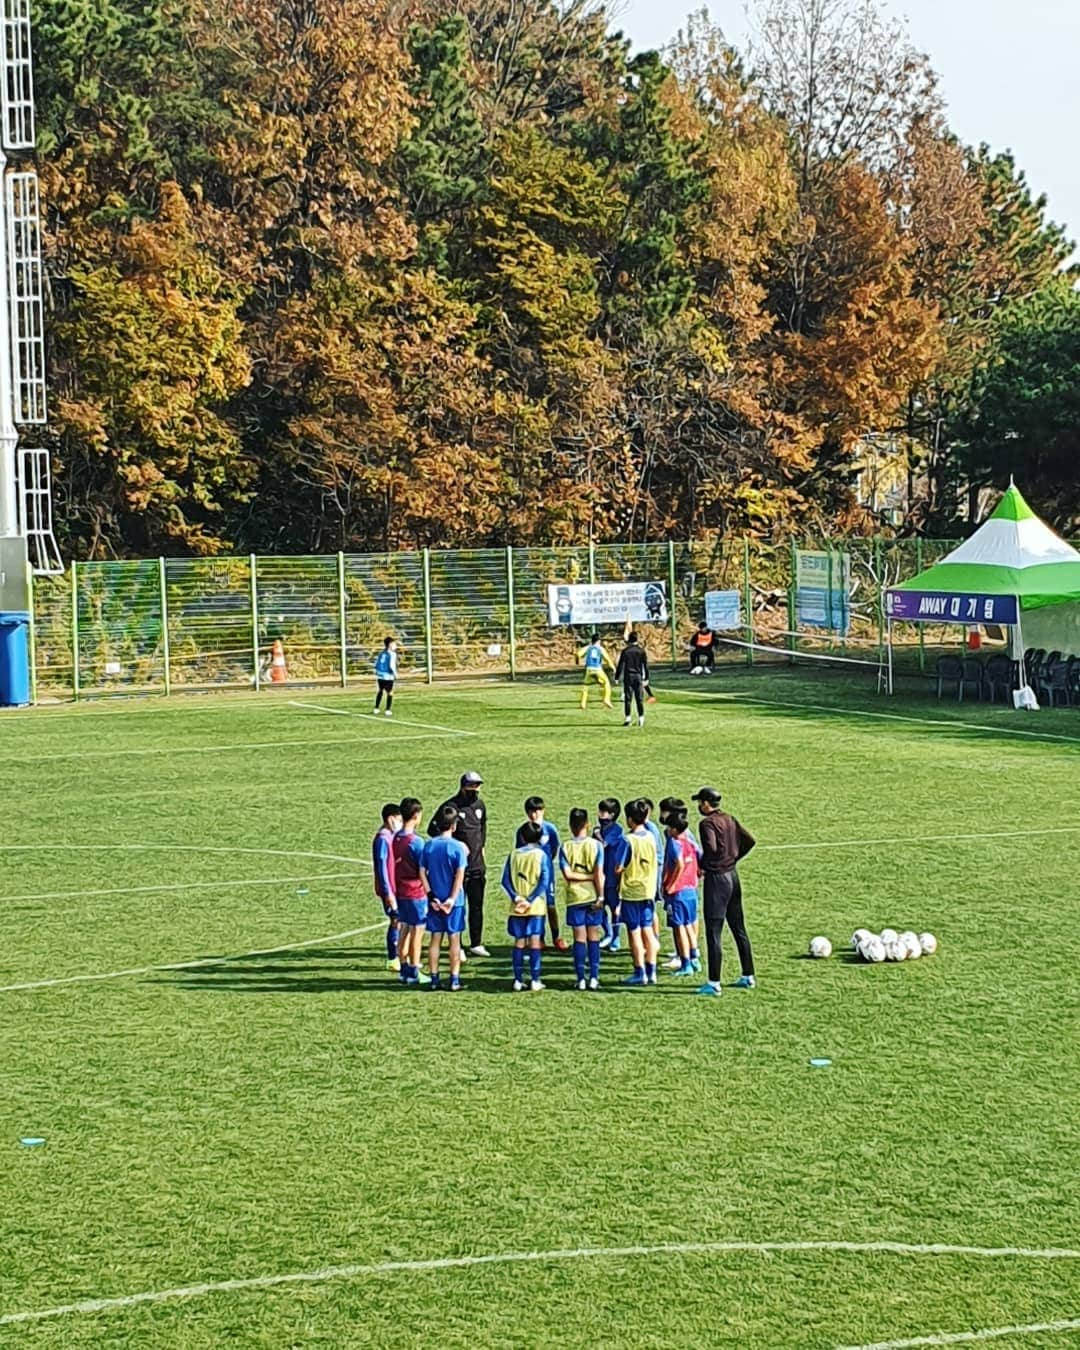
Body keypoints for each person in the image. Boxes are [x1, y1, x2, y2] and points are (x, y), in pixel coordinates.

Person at [692, 786, 756, 997]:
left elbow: (710, 847)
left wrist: (704, 863)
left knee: (714, 931)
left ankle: (714, 982)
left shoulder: (707, 823)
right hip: (733, 876)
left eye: (700, 803)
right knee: (739, 928)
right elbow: (750, 840)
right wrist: (734, 858)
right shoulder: (730, 819)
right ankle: (748, 975)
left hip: (717, 880)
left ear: (706, 803)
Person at [431, 771, 489, 957]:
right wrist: (455, 844)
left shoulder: (480, 806)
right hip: (458, 869)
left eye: (477, 786)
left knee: (477, 905)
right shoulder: (451, 806)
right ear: (463, 786)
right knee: (459, 906)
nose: (474, 790)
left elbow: (482, 830)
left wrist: (482, 851)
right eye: (471, 786)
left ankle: (476, 943)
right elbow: (433, 828)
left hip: (478, 865)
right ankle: (458, 945)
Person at [421, 803, 469, 991]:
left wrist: (431, 895)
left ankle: (434, 978)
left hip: (434, 901)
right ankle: (454, 979)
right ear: (454, 826)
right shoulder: (457, 847)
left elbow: (422, 872)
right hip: (453, 903)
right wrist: (451, 898)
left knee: (435, 940)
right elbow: (459, 875)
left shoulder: (429, 845)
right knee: (454, 940)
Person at [501, 821, 552, 992]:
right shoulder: (541, 855)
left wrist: (516, 897)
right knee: (535, 941)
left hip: (516, 906)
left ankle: (517, 979)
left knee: (519, 941)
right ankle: (535, 979)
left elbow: (505, 880)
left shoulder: (513, 854)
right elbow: (544, 881)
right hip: (535, 906)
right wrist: (530, 899)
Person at [614, 799, 660, 985]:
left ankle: (639, 971)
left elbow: (618, 867)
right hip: (648, 889)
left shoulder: (627, 840)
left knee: (634, 931)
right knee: (648, 929)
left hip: (632, 891)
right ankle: (652, 971)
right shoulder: (651, 836)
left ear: (630, 819)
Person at [559, 808, 605, 990]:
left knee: (579, 938)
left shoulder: (565, 846)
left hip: (575, 897)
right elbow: (599, 874)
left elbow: (568, 875)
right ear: (588, 824)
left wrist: (581, 876)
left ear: (570, 825)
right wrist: (600, 894)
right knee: (593, 936)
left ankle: (580, 979)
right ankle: (594, 977)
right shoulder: (596, 845)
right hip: (593, 896)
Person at [515, 796, 566, 951]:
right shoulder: (523, 831)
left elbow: (555, 847)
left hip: (547, 873)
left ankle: (556, 937)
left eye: (537, 811)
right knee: (535, 906)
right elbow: (519, 851)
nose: (534, 814)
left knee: (550, 905)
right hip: (530, 876)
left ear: (543, 811)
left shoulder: (550, 829)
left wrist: (548, 862)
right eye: (530, 811)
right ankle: (539, 937)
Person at [660, 796, 700, 970]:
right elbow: (698, 857)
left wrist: (671, 885)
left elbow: (679, 864)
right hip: (691, 888)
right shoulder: (689, 841)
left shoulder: (675, 842)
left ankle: (685, 963)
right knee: (689, 923)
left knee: (679, 926)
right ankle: (694, 957)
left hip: (679, 892)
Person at [392, 797, 430, 986]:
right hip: (415, 891)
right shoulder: (416, 842)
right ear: (416, 815)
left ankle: (404, 969)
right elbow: (423, 868)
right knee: (418, 930)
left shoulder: (395, 838)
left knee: (404, 928)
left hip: (400, 890)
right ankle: (415, 970)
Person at [371, 802, 402, 972]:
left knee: (401, 921)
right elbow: (381, 866)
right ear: (390, 819)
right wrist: (388, 892)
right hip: (390, 890)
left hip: (397, 887)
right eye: (398, 819)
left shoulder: (390, 836)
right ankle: (393, 958)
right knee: (396, 921)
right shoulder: (383, 839)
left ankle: (401, 956)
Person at [594, 798, 624, 952]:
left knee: (614, 907)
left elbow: (604, 844)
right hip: (599, 874)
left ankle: (616, 937)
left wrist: (597, 834)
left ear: (612, 815)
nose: (599, 814)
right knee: (599, 906)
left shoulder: (616, 830)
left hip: (612, 875)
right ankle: (608, 933)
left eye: (603, 812)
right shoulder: (599, 829)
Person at [614, 632, 650, 728]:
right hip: (638, 676)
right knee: (639, 699)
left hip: (628, 676)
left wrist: (617, 677)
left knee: (628, 698)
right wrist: (647, 677)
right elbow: (645, 665)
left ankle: (628, 718)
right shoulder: (641, 651)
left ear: (629, 640)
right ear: (637, 639)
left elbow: (621, 665)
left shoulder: (625, 651)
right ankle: (641, 718)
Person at [577, 632, 615, 710]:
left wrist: (577, 661)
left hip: (589, 669)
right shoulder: (600, 648)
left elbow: (578, 654)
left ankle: (583, 704)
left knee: (586, 686)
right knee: (606, 683)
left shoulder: (588, 647)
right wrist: (613, 668)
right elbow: (607, 659)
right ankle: (606, 700)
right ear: (598, 641)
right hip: (597, 669)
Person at [374, 637, 398, 715]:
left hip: (380, 675)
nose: (395, 645)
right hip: (387, 675)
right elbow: (391, 665)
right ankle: (388, 710)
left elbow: (377, 663)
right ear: (390, 645)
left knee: (380, 690)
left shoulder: (382, 653)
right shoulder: (392, 654)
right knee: (390, 692)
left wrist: (377, 672)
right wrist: (395, 674)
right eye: (394, 644)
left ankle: (376, 708)